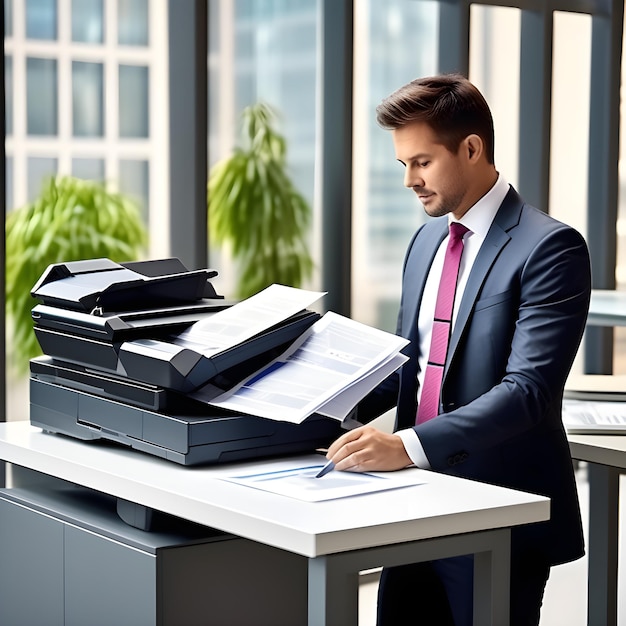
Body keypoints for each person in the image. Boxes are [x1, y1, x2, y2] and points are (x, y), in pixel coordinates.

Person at [325, 74, 591, 626]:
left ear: (472, 148)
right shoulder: (426, 240)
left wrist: (406, 446)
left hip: (500, 507)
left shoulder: (550, 247)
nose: (409, 181)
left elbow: (527, 393)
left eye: (421, 162)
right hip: (414, 501)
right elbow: (411, 364)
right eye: (403, 165)